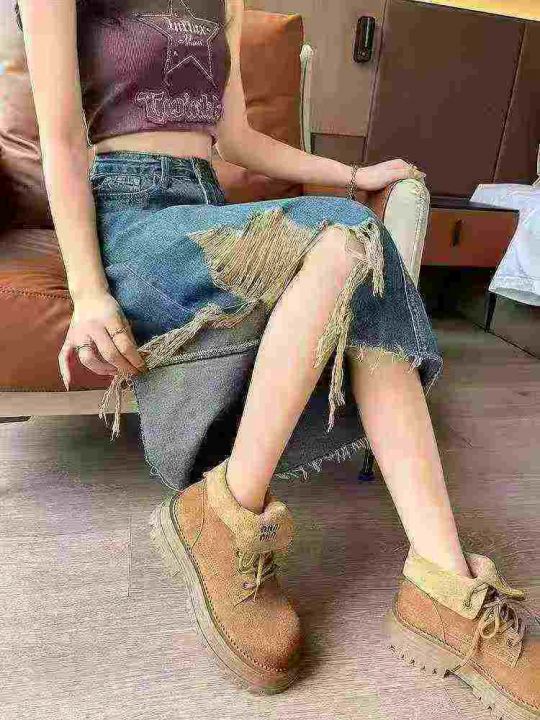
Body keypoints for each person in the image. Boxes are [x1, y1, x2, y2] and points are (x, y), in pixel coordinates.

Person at [17, 0, 539, 711]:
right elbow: (60, 138)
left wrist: (351, 175)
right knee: (348, 241)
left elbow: (236, 139)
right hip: (128, 221)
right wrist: (87, 292)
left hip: (204, 207)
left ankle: (440, 580)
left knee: (355, 246)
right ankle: (234, 516)